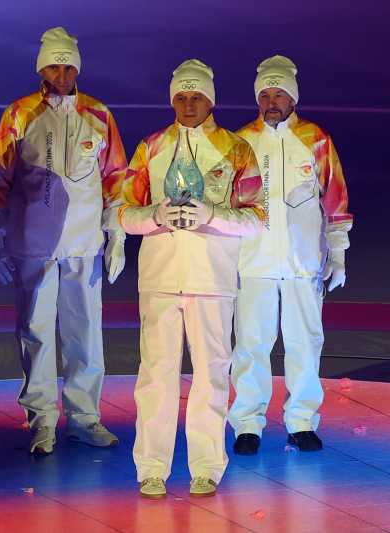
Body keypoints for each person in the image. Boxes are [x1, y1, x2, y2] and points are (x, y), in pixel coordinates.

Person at [119, 59, 265, 498]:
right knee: (156, 376)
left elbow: (257, 217)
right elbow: (123, 213)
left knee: (211, 376)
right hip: (160, 278)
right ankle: (152, 467)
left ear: (210, 100)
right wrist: (156, 215)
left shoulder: (236, 149)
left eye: (196, 96)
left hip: (212, 280)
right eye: (181, 97)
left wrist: (212, 215)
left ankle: (206, 467)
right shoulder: (152, 146)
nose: (188, 105)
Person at [0, 27, 127, 455]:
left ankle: (85, 418)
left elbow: (116, 178)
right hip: (34, 243)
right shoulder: (19, 114)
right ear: (41, 69)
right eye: (53, 67)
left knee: (86, 332)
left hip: (84, 242)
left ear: (77, 69)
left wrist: (115, 234)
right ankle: (42, 419)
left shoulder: (98, 114)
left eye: (68, 67)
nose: (61, 75)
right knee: (37, 331)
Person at [228, 55, 353, 455]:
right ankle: (248, 423)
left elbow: (335, 197)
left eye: (279, 94)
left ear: (292, 98)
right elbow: (227, 203)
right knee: (251, 345)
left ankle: (301, 421)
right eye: (265, 95)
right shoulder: (240, 141)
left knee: (304, 343)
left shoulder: (315, 139)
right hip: (253, 262)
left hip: (303, 263)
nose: (271, 102)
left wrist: (338, 251)